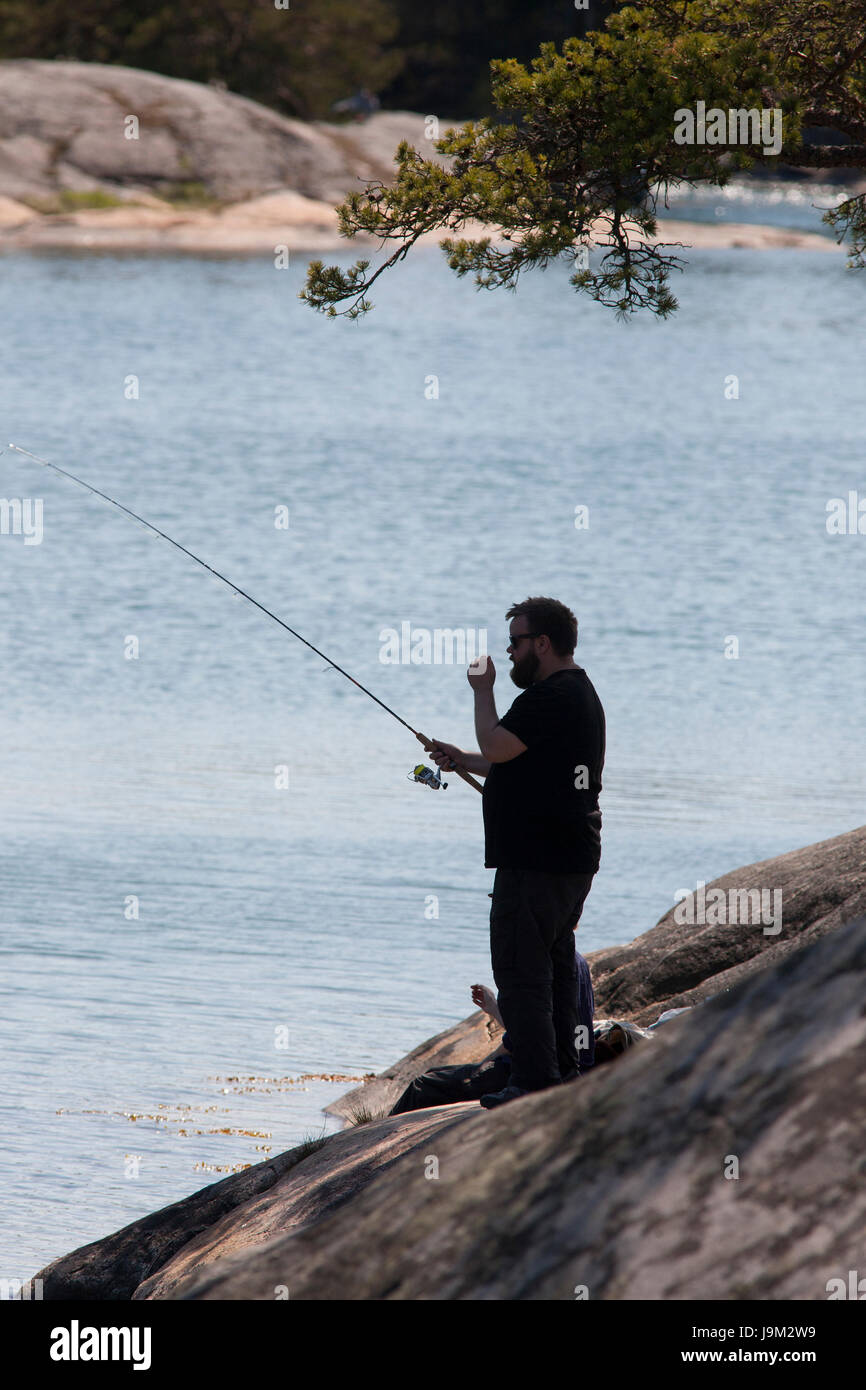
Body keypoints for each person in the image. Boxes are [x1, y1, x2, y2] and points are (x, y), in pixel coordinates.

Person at [432, 596, 605, 1108]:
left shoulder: (551, 696)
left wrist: (481, 693)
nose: (508, 653)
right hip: (565, 858)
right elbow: (516, 762)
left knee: (519, 970)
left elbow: (497, 745)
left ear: (542, 644)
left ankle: (532, 1083)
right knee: (551, 969)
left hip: (538, 862)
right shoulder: (575, 693)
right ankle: (562, 1074)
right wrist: (462, 759)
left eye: (515, 642)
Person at [390, 950, 596, 1115]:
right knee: (433, 1075)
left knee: (422, 1086)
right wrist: (493, 1009)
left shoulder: (542, 965)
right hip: (563, 1070)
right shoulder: (576, 962)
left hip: (528, 1075)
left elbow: (528, 1036)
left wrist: (494, 1009)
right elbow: (536, 1033)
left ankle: (383, 1148)